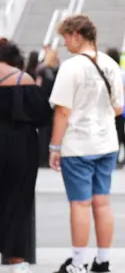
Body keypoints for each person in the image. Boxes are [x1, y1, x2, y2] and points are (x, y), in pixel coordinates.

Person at [48, 15, 125, 273]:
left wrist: (54, 147)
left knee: (80, 204)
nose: (65, 44)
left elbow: (62, 111)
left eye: (66, 38)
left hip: (78, 145)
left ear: (77, 35)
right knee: (102, 202)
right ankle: (102, 260)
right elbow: (118, 108)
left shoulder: (71, 67)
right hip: (106, 143)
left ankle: (78, 262)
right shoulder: (112, 65)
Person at [0, 39, 52, 273]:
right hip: (19, 147)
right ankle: (16, 262)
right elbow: (42, 116)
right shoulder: (23, 79)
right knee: (19, 202)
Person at [105, 48, 125, 168]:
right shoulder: (123, 73)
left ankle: (116, 157)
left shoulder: (108, 72)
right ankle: (124, 156)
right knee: (121, 131)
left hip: (112, 106)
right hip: (124, 105)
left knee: (115, 132)